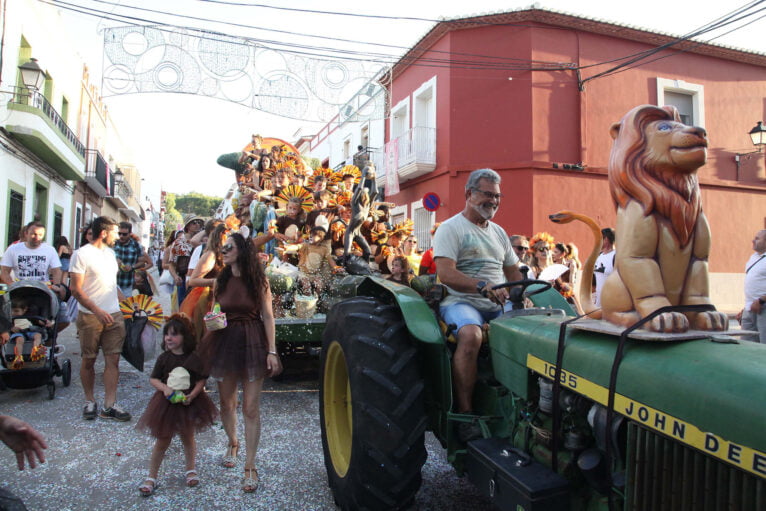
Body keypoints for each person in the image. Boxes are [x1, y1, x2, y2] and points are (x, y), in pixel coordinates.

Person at [433, 168, 521, 442]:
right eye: (487, 194)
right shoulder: (451, 228)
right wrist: (481, 285)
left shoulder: (499, 233)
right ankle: (466, 413)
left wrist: (520, 292)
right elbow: (446, 274)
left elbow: (513, 272)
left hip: (496, 303)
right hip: (460, 300)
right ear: (469, 194)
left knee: (533, 329)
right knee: (471, 334)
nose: (493, 201)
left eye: (497, 196)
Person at [197, 233, 282, 493]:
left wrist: (272, 351)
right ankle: (232, 442)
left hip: (253, 341)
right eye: (223, 248)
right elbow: (215, 313)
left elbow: (268, 317)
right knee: (227, 402)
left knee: (251, 408)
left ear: (241, 251)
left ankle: (250, 466)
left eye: (228, 248)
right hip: (225, 342)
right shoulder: (221, 280)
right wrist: (208, 330)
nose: (223, 251)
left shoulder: (259, 280)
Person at [136, 314, 218, 496]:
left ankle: (190, 469)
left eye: (174, 335)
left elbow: (201, 379)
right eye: (167, 334)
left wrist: (194, 394)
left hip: (189, 403)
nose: (169, 338)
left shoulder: (193, 358)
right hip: (167, 404)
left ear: (185, 338)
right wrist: (164, 388)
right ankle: (152, 476)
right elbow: (154, 379)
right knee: (162, 439)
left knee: (188, 437)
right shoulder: (164, 358)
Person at [69, 216, 131, 422]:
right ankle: (89, 401)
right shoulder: (81, 255)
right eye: (114, 232)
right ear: (103, 233)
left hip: (113, 314)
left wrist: (128, 304)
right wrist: (96, 310)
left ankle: (109, 405)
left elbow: (111, 285)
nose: (117, 235)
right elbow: (75, 290)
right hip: (90, 316)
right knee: (89, 359)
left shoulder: (111, 253)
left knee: (113, 360)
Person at [1, 221, 69, 332]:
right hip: (20, 289)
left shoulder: (49, 250)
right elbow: (4, 271)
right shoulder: (13, 249)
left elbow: (57, 270)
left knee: (59, 315)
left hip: (43, 289)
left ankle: (49, 335)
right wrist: (11, 285)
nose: (37, 237)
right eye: (33, 234)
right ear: (26, 233)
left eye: (40, 235)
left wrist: (56, 285)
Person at [183, 224, 227, 341]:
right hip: (207, 299)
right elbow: (193, 280)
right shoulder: (211, 255)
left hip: (221, 299)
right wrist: (214, 281)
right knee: (207, 336)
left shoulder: (226, 254)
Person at [6, 298, 53, 369]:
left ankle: (35, 349)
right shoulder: (11, 318)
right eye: (11, 311)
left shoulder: (30, 316)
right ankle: (18, 357)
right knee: (19, 339)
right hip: (19, 333)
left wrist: (46, 322)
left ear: (24, 310)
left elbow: (39, 322)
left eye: (16, 311)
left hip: (29, 331)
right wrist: (12, 328)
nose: (13, 313)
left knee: (38, 335)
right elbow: (7, 326)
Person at [737, 229, 766, 343]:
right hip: (750, 308)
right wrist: (745, 308)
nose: (753, 241)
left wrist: (761, 301)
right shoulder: (753, 257)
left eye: (757, 238)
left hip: (763, 308)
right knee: (747, 346)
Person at [168, 217, 204, 306]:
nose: (197, 224)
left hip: (200, 278)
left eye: (199, 222)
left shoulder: (204, 241)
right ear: (188, 226)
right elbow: (171, 264)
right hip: (183, 279)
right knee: (184, 305)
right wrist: (176, 276)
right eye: (194, 222)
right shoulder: (178, 243)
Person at [114, 222, 153, 298]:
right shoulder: (113, 243)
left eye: (124, 234)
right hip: (112, 284)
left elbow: (144, 261)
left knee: (125, 307)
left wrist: (132, 267)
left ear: (130, 233)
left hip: (127, 284)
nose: (121, 236)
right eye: (119, 233)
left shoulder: (135, 245)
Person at [593, 228, 616, 308]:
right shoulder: (599, 256)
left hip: (613, 303)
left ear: (605, 239)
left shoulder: (616, 256)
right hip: (598, 304)